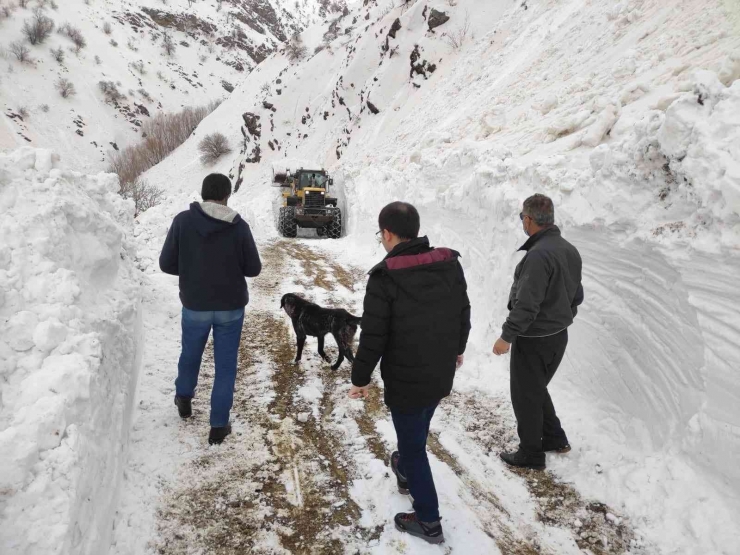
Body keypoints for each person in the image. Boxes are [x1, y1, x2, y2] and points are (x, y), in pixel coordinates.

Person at [349, 202, 471, 545]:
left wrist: (359, 379)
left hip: (405, 381)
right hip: (440, 372)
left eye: (380, 235)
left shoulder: (386, 276)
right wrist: (458, 348)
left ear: (387, 234)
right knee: (417, 430)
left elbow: (374, 336)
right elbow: (463, 310)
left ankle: (428, 520)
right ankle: (403, 467)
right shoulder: (447, 263)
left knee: (414, 447)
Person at [159, 173, 262, 445]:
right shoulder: (239, 227)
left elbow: (166, 264)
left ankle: (183, 398)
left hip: (194, 305)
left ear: (202, 193)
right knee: (225, 366)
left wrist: (192, 269)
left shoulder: (182, 221)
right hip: (230, 308)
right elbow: (254, 269)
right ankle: (218, 426)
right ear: (227, 195)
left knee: (190, 354)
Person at [493, 194, 583, 470]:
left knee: (525, 395)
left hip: (534, 339)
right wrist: (561, 318)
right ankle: (555, 438)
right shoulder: (569, 249)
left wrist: (506, 337)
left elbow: (527, 305)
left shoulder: (538, 256)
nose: (522, 222)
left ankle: (531, 453)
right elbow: (576, 296)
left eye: (522, 217)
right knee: (535, 388)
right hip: (558, 335)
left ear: (529, 219)